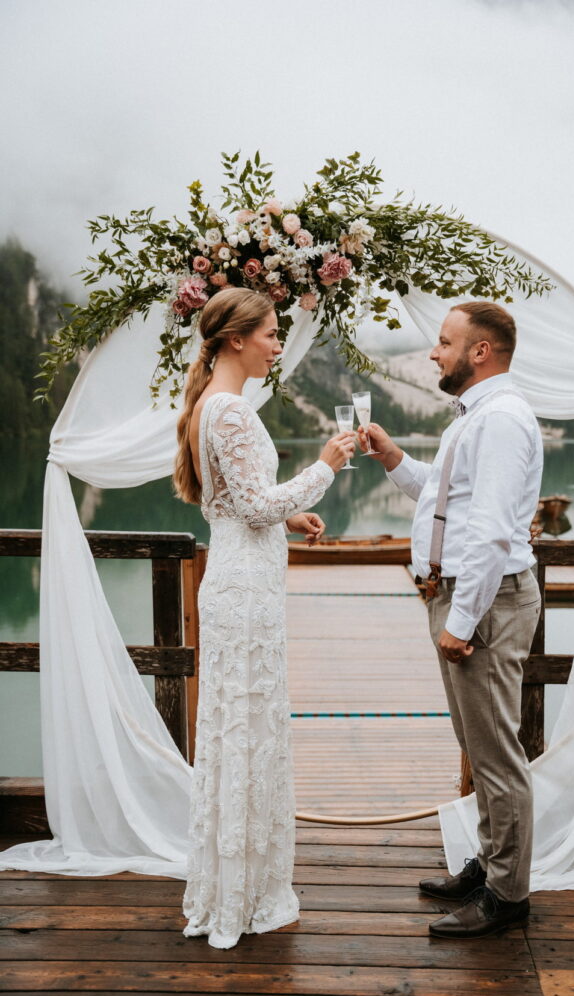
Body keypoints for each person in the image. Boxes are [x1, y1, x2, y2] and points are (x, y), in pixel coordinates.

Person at [173, 287, 355, 949]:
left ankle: (236, 884)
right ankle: (243, 895)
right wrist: (324, 469)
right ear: (235, 338)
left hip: (238, 577)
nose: (279, 346)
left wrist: (291, 512)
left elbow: (235, 503)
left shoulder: (211, 404)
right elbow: (252, 507)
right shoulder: (229, 409)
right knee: (246, 729)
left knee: (239, 729)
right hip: (244, 589)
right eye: (272, 334)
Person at [359, 301, 543, 938]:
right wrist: (392, 458)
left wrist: (462, 621)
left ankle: (507, 895)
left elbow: (490, 534)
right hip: (467, 595)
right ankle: (491, 864)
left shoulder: (502, 420)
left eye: (444, 342)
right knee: (478, 743)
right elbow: (445, 502)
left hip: (485, 601)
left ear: (480, 352)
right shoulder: (476, 416)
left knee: (496, 754)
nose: (434, 352)